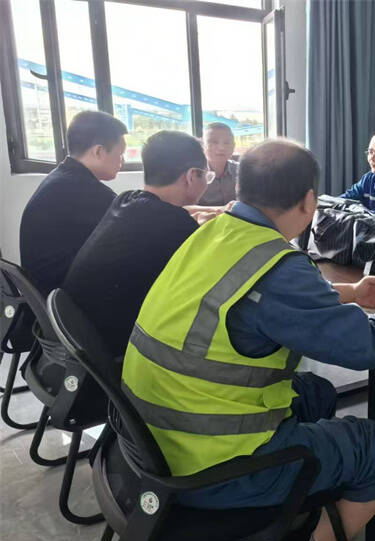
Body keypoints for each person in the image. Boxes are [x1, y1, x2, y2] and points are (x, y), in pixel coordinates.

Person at [122, 139, 375, 541]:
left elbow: (259, 295)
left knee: (317, 392)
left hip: (149, 440)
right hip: (209, 469)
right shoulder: (279, 265)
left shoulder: (213, 231)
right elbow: (369, 347)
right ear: (309, 201)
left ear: (241, 189)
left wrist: (350, 292)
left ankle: (294, 501)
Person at [63, 131, 215, 360]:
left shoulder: (126, 199)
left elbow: (164, 220)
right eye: (206, 175)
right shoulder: (176, 226)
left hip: (79, 338)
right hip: (115, 351)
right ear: (192, 175)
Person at [20, 110, 128, 296]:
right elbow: (131, 232)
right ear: (99, 151)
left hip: (44, 292)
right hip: (62, 299)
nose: (122, 161)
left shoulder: (62, 177)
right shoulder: (87, 191)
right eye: (120, 154)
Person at [198, 122, 238, 206]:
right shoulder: (193, 174)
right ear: (203, 144)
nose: (221, 148)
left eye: (227, 143)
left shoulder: (242, 171)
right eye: (214, 142)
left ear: (233, 146)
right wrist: (221, 210)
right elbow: (185, 207)